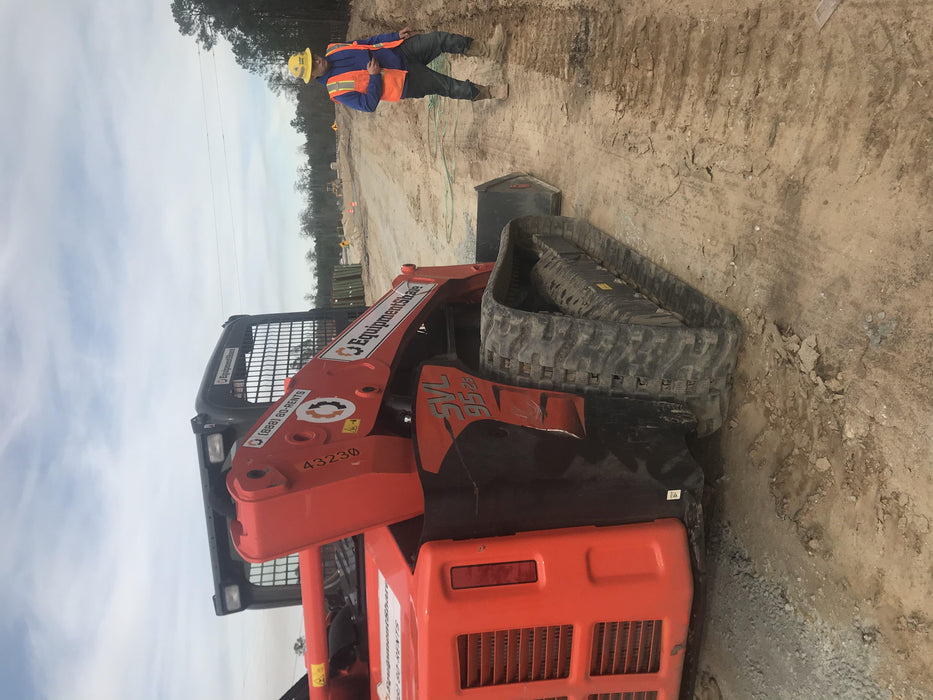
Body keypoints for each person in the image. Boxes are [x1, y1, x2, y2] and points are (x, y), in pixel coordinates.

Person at [287, 26, 508, 113]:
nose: (318, 61)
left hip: (400, 52)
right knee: (447, 86)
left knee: (439, 39)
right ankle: (488, 92)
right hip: (403, 82)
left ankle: (488, 50)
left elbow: (368, 43)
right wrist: (374, 78)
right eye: (313, 65)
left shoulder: (333, 49)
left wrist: (393, 37)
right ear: (312, 76)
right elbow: (368, 105)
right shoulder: (335, 90)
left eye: (313, 57)